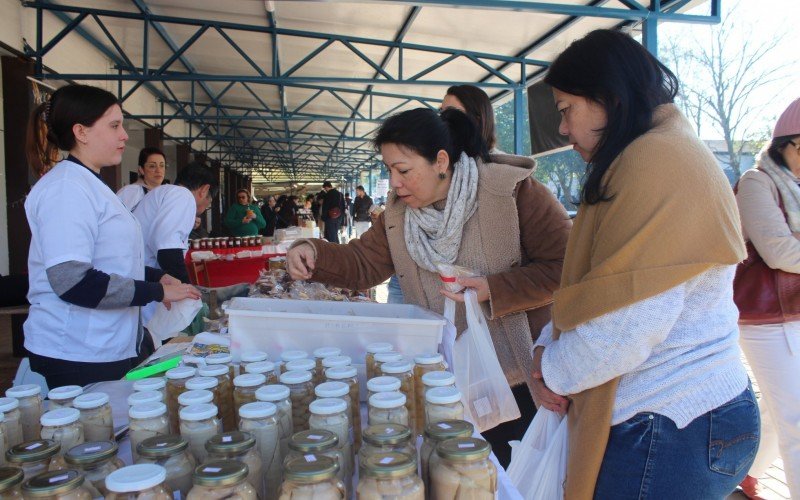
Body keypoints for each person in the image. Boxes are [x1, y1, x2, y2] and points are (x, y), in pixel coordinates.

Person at [530, 29, 758, 499]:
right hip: (693, 413)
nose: (565, 129)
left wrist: (547, 369)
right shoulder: (656, 152)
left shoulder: (655, 164)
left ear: (608, 99)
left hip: (671, 423)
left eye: (566, 109)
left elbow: (622, 332)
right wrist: (545, 351)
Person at [287, 107, 571, 465]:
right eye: (389, 171)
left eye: (403, 170)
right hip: (447, 381)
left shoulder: (511, 193)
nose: (395, 183)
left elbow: (567, 267)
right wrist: (312, 252)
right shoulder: (398, 215)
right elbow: (362, 263)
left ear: (440, 161)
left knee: (518, 474)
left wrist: (494, 289)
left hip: (523, 378)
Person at [23, 84, 199, 388]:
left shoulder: (91, 184)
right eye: (114, 125)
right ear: (82, 132)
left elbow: (109, 260)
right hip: (77, 351)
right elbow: (73, 280)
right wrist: (156, 293)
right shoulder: (66, 189)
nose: (124, 136)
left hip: (103, 344)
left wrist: (156, 277)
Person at [735, 98, 800, 499]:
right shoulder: (757, 181)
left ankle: (742, 475)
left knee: (783, 414)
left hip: (793, 312)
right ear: (784, 144)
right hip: (765, 317)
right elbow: (779, 252)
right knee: (795, 416)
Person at [134, 162, 218, 343]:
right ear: (204, 190)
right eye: (208, 203)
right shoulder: (183, 196)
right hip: (147, 286)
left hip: (144, 279)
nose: (204, 209)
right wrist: (187, 289)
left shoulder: (163, 192)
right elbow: (168, 251)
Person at [441, 85, 499, 152]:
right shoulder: (441, 155)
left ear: (477, 120)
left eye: (452, 112)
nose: (443, 118)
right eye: (442, 112)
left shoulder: (501, 161)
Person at [117, 147, 166, 211]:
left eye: (162, 166)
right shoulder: (131, 191)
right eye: (152, 166)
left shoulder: (165, 193)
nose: (158, 170)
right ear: (141, 170)